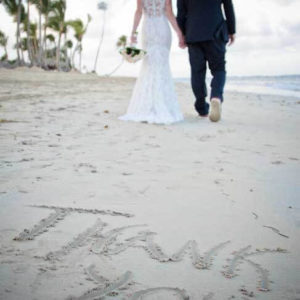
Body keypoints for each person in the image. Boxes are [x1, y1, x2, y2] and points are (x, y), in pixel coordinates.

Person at [119, 0, 184, 125]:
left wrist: (133, 32)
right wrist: (179, 33)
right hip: (162, 28)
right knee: (162, 66)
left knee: (148, 66)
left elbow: (138, 11)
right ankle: (163, 104)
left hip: (148, 28)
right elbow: (169, 12)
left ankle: (147, 106)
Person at [177, 0, 236, 122]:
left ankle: (201, 108)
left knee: (197, 72)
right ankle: (216, 96)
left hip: (193, 33)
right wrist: (231, 30)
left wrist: (182, 34)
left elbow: (181, 13)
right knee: (219, 69)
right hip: (216, 31)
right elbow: (228, 6)